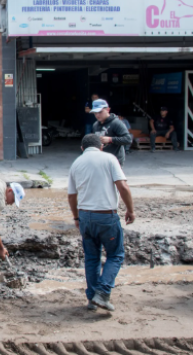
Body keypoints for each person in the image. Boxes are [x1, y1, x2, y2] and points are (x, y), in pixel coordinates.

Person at [67, 134, 135, 312]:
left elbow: (71, 196)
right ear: (101, 147)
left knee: (91, 258)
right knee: (116, 255)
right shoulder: (109, 159)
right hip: (106, 216)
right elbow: (123, 187)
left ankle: (91, 298)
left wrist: (76, 217)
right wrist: (130, 210)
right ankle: (103, 293)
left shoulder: (76, 163)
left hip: (85, 217)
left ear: (82, 148)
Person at [90, 99, 133, 166]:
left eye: (100, 112)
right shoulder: (95, 125)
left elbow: (128, 139)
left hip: (114, 162)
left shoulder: (116, 123)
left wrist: (110, 139)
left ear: (108, 110)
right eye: (95, 113)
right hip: (100, 160)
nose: (97, 115)